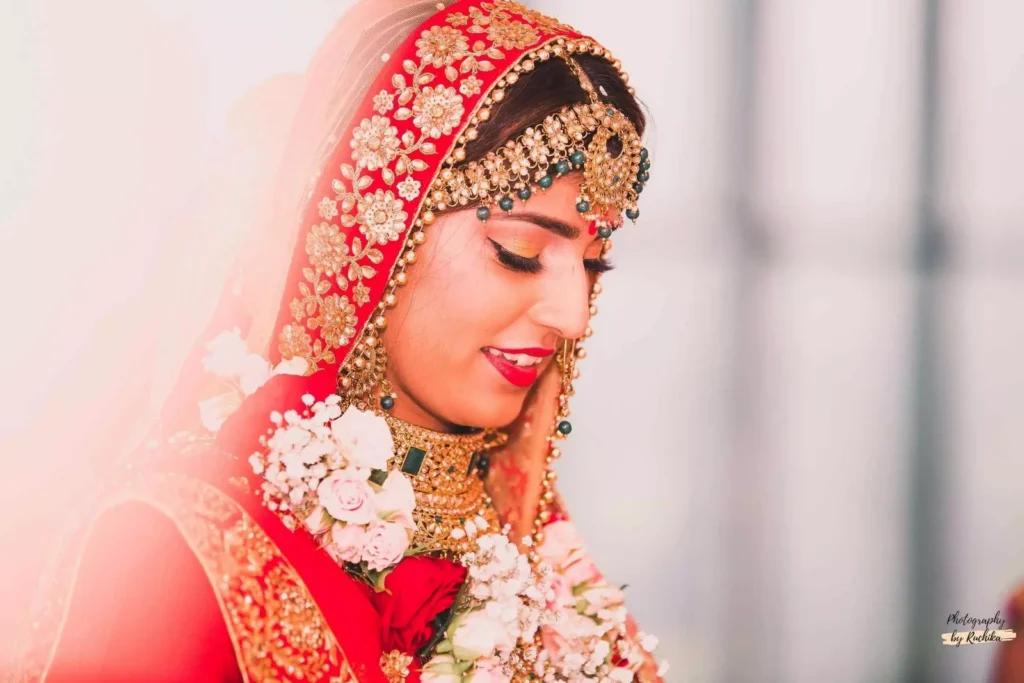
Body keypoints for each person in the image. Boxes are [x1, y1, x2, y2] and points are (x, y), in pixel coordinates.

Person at [7, 0, 665, 682]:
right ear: (374, 230)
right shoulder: (188, 559)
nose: (573, 315)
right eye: (518, 251)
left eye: (594, 263)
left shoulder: (530, 547)